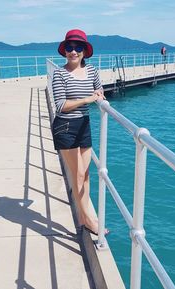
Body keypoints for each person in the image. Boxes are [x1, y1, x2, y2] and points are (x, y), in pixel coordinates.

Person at [51, 29, 107, 235]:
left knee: (86, 174)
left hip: (84, 124)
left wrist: (98, 95)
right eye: (69, 47)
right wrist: (86, 100)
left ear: (85, 51)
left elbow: (99, 89)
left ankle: (84, 216)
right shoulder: (59, 73)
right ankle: (89, 220)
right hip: (65, 126)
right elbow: (60, 105)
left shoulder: (92, 71)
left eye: (78, 47)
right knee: (78, 174)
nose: (73, 51)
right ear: (64, 50)